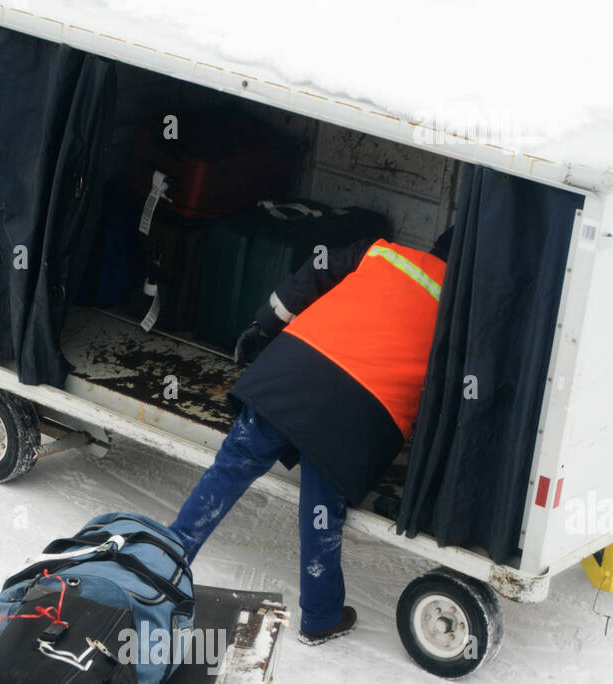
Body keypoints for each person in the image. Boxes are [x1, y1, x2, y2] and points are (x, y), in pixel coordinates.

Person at [171, 226, 454, 644]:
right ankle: (320, 617)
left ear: (434, 245)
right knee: (322, 508)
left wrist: (264, 324)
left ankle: (164, 566)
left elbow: (313, 273)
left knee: (229, 469)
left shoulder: (380, 251)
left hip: (292, 370)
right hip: (357, 411)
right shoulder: (460, 311)